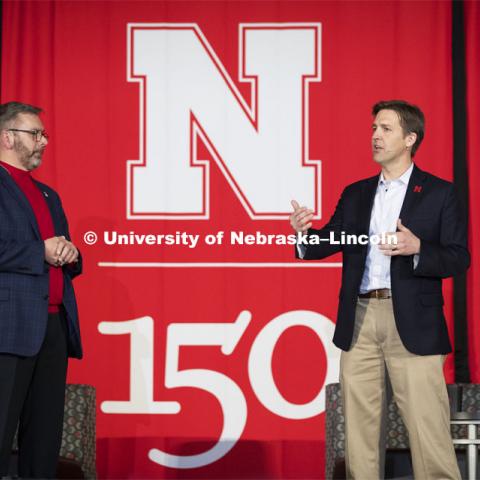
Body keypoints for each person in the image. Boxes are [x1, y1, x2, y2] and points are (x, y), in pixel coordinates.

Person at [290, 100, 469, 479]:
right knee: (359, 431)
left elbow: (458, 257)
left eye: (385, 129)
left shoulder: (439, 193)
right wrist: (304, 233)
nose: (375, 136)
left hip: (414, 323)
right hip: (360, 319)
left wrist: (418, 248)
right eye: (374, 128)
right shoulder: (356, 194)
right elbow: (324, 243)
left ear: (410, 138)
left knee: (427, 426)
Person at [0, 102, 82, 479]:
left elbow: (65, 254)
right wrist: (40, 251)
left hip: (52, 327)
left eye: (43, 134)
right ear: (7, 137)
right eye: (35, 134)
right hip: (9, 327)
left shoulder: (49, 195)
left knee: (45, 436)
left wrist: (70, 253)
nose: (43, 142)